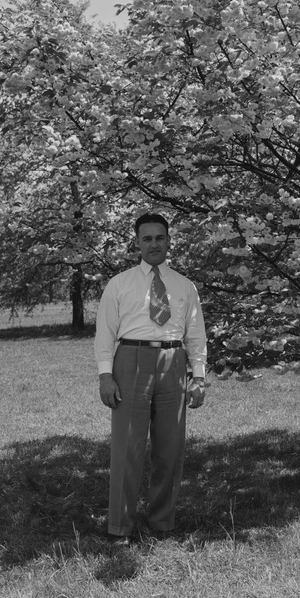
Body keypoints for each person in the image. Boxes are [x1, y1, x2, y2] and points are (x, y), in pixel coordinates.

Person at [94, 212, 207, 544]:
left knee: (170, 449)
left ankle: (162, 522)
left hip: (174, 362)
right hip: (131, 360)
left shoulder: (185, 285)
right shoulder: (120, 284)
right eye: (147, 238)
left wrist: (198, 377)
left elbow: (197, 336)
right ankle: (120, 527)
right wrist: (105, 376)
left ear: (169, 241)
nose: (154, 244)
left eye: (160, 237)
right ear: (137, 243)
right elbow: (104, 334)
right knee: (127, 447)